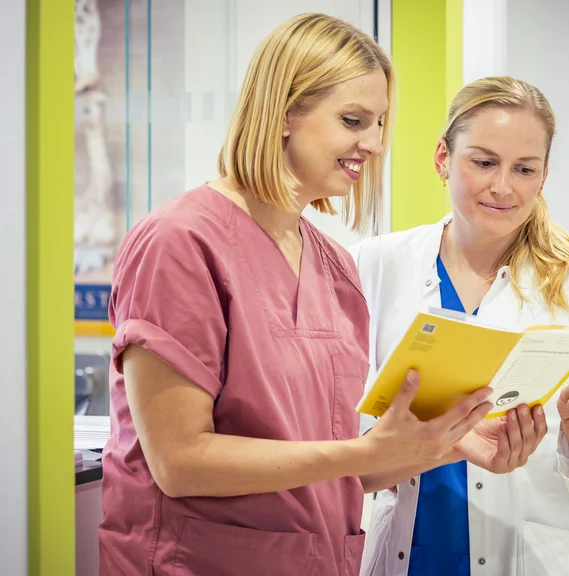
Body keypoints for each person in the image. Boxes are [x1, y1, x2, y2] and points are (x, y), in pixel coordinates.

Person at [97, 14, 494, 576]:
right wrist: (363, 453)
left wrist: (453, 443)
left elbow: (334, 470)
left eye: (380, 123)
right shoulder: (180, 244)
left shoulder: (334, 266)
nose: (376, 144)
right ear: (283, 113)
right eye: (353, 120)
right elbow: (179, 462)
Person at [351, 76, 569, 576]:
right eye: (483, 162)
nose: (503, 186)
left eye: (524, 169)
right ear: (441, 159)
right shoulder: (375, 266)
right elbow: (337, 426)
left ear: (543, 178)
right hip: (405, 555)